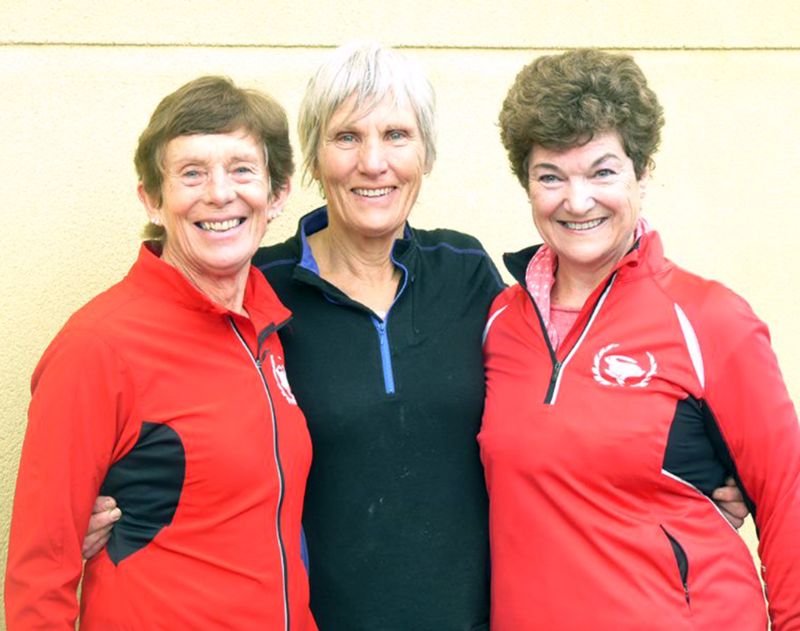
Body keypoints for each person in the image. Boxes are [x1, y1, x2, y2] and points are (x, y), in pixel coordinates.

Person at [82, 43, 749, 630]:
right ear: (313, 158)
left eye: (397, 135)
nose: (373, 162)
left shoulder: (468, 275)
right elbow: (179, 389)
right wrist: (116, 497)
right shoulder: (261, 287)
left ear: (424, 153)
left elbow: (569, 390)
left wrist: (699, 468)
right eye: (346, 137)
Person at [480, 48, 800, 630]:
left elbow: (788, 499)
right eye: (550, 176)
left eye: (603, 172)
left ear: (643, 173)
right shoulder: (500, 322)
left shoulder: (710, 318)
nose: (577, 202)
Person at [4, 76, 316, 630]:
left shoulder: (268, 330)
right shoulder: (99, 346)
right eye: (191, 173)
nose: (219, 194)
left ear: (278, 192)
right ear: (152, 196)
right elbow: (40, 572)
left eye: (242, 169)